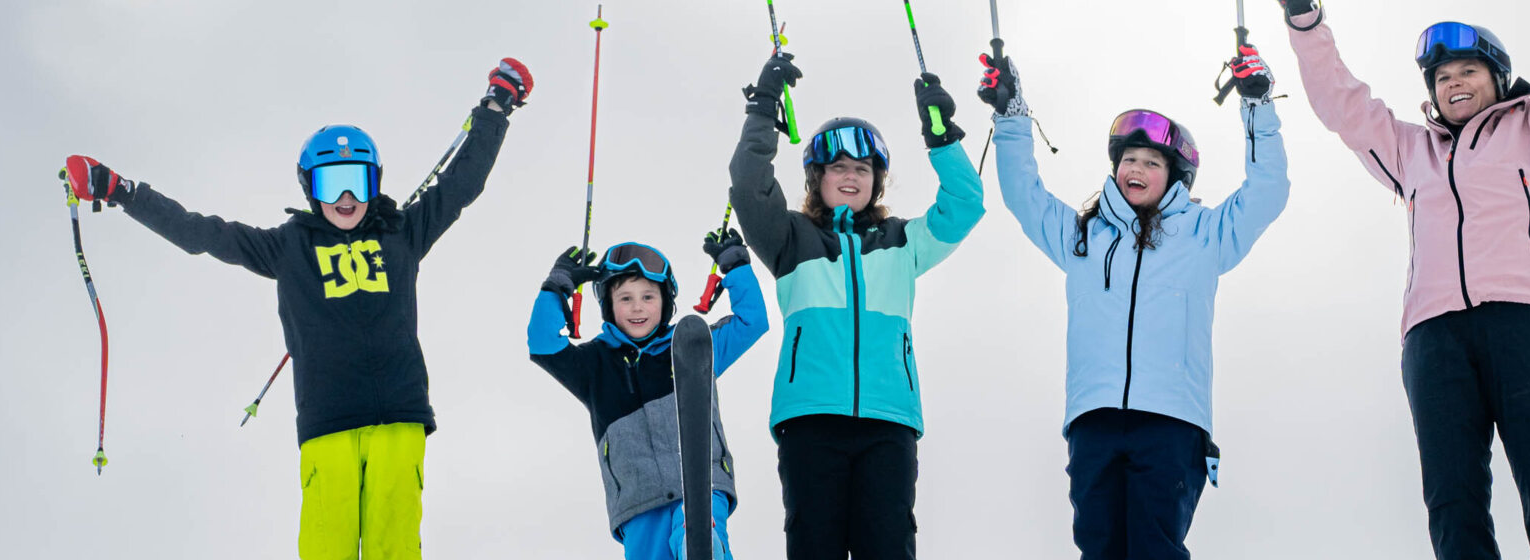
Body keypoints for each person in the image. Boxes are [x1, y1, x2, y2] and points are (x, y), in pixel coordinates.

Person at [1269, 0, 1530, 560]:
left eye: (1466, 72)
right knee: (1453, 501)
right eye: (1441, 78)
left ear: (1496, 77)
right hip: (1434, 339)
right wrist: (1304, 16)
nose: (1453, 84)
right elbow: (1343, 104)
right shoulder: (1410, 152)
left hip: (1527, 319)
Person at [61, 59, 532, 560]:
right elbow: (201, 233)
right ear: (311, 190)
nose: (346, 197)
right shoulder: (287, 248)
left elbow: (462, 184)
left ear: (374, 184)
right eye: (332, 184)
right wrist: (121, 191)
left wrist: (496, 108)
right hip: (328, 421)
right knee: (327, 546)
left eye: (357, 181)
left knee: (392, 546)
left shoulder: (403, 233)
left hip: (400, 416)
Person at [979, 47, 1288, 560]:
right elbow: (1022, 193)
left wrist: (1257, 105)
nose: (1136, 168)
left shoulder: (1206, 235)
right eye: (1128, 159)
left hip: (1170, 421)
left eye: (1151, 161)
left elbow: (1267, 189)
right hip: (1094, 419)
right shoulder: (1082, 237)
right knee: (1099, 548)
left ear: (1174, 177)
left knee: (1153, 547)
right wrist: (1010, 116)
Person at [727, 54, 983, 559]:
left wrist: (942, 138)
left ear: (877, 180)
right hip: (812, 419)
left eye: (862, 168)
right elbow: (748, 185)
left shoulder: (903, 241)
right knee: (814, 543)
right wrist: (763, 109)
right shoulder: (790, 238)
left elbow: (965, 204)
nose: (850, 177)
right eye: (837, 167)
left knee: (887, 545)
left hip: (888, 422)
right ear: (816, 178)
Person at [529, 233, 768, 559]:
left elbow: (752, 322)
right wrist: (558, 287)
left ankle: (700, 551)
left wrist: (736, 266)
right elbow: (542, 344)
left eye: (648, 296)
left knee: (697, 532)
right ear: (609, 307)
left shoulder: (693, 347)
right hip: (639, 503)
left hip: (701, 488)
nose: (637, 307)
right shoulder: (594, 365)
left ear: (665, 301)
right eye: (625, 298)